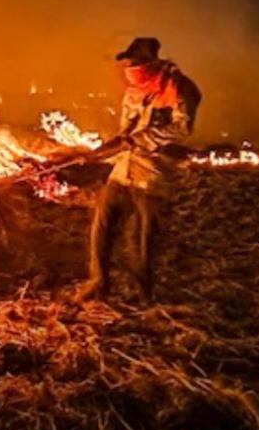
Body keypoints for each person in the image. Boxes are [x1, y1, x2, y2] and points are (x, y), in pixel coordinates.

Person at [71, 37, 200, 303]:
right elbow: (125, 131)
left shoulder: (178, 88)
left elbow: (182, 129)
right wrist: (100, 154)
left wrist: (139, 140)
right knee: (103, 221)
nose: (130, 69)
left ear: (151, 63)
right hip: (124, 167)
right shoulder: (134, 92)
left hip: (154, 170)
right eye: (128, 64)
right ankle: (98, 281)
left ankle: (144, 291)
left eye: (135, 63)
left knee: (144, 235)